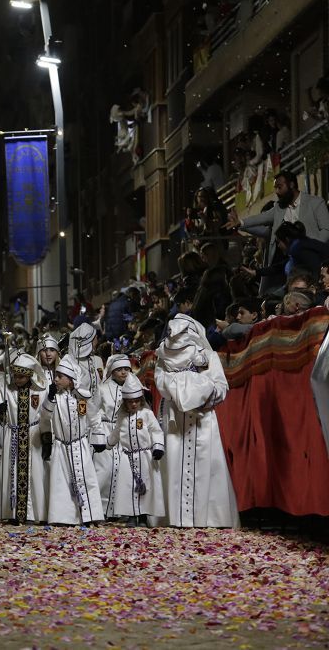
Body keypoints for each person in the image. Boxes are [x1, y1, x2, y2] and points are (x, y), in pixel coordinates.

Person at [155, 314, 239, 528]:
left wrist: (204, 396)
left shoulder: (207, 356)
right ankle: (175, 518)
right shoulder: (163, 356)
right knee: (173, 463)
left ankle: (208, 517)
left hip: (202, 418)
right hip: (175, 418)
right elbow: (160, 383)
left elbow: (221, 386)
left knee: (206, 464)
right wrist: (181, 390)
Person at [228, 170, 329, 295]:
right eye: (275, 188)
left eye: (279, 187)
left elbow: (326, 230)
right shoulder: (279, 208)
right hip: (285, 260)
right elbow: (261, 218)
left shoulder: (316, 203)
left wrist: (311, 247)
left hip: (311, 260)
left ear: (291, 185)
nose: (276, 192)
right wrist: (241, 223)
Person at [40, 354, 105, 526]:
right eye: (56, 376)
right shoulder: (55, 398)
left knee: (86, 479)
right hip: (61, 447)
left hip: (80, 444)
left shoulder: (82, 397)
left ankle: (90, 515)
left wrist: (99, 436)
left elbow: (93, 416)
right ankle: (64, 517)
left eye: (60, 377)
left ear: (71, 379)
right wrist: (50, 398)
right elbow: (45, 416)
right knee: (62, 484)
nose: (56, 380)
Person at [0, 353, 49, 524]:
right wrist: (1, 411)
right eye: (15, 376)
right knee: (12, 472)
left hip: (32, 436)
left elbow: (44, 415)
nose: (17, 380)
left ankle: (33, 513)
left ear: (30, 375)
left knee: (34, 474)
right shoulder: (6, 390)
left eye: (21, 376)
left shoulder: (39, 392)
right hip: (14, 435)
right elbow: (1, 419)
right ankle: (12, 512)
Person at [105, 373, 165, 525]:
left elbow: (156, 431)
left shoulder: (147, 414)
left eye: (136, 401)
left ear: (141, 400)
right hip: (128, 458)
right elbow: (117, 432)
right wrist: (107, 444)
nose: (133, 405)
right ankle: (131, 516)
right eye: (130, 402)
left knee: (146, 486)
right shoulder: (122, 417)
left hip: (145, 456)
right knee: (128, 486)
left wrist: (158, 447)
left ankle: (143, 516)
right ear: (125, 402)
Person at [95, 354, 132, 517]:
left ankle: (119, 511)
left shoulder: (133, 388)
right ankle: (99, 509)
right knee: (104, 470)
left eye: (126, 369)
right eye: (119, 369)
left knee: (124, 470)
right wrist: (98, 434)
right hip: (106, 431)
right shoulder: (102, 389)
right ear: (112, 371)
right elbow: (93, 412)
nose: (124, 373)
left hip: (125, 434)